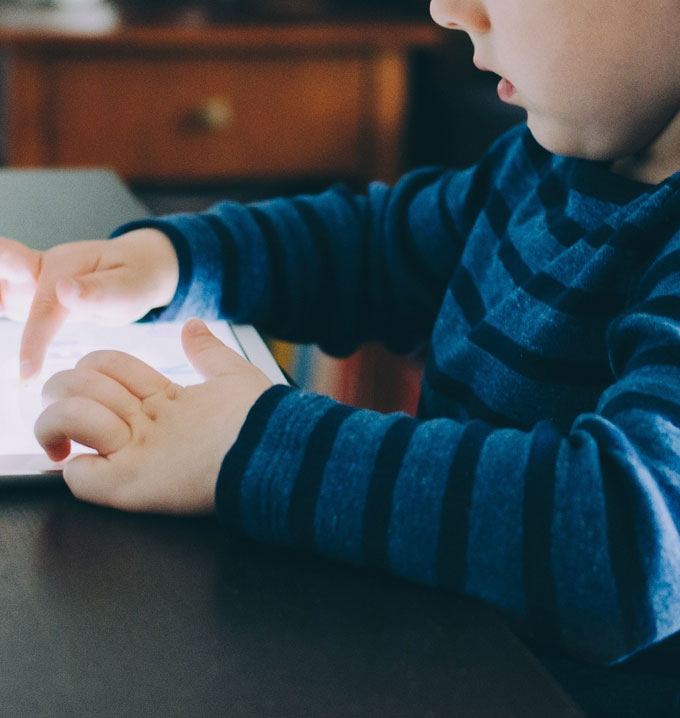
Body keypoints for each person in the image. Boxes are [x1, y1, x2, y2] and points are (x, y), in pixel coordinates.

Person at [1, 0, 680, 677]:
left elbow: (627, 540)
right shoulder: (543, 165)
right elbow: (377, 250)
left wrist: (254, 444)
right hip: (452, 653)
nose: (449, 9)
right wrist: (174, 261)